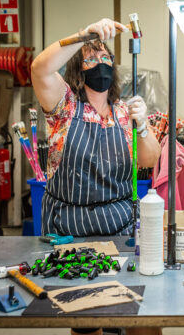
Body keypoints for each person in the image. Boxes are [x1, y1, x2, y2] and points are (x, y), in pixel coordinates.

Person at [31, 18, 162, 335]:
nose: (99, 63)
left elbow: (149, 160)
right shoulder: (64, 106)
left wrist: (142, 125)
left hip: (120, 229)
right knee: (88, 323)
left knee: (142, 318)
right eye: (90, 58)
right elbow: (40, 69)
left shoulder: (122, 111)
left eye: (105, 58)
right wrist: (83, 35)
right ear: (78, 68)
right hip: (70, 231)